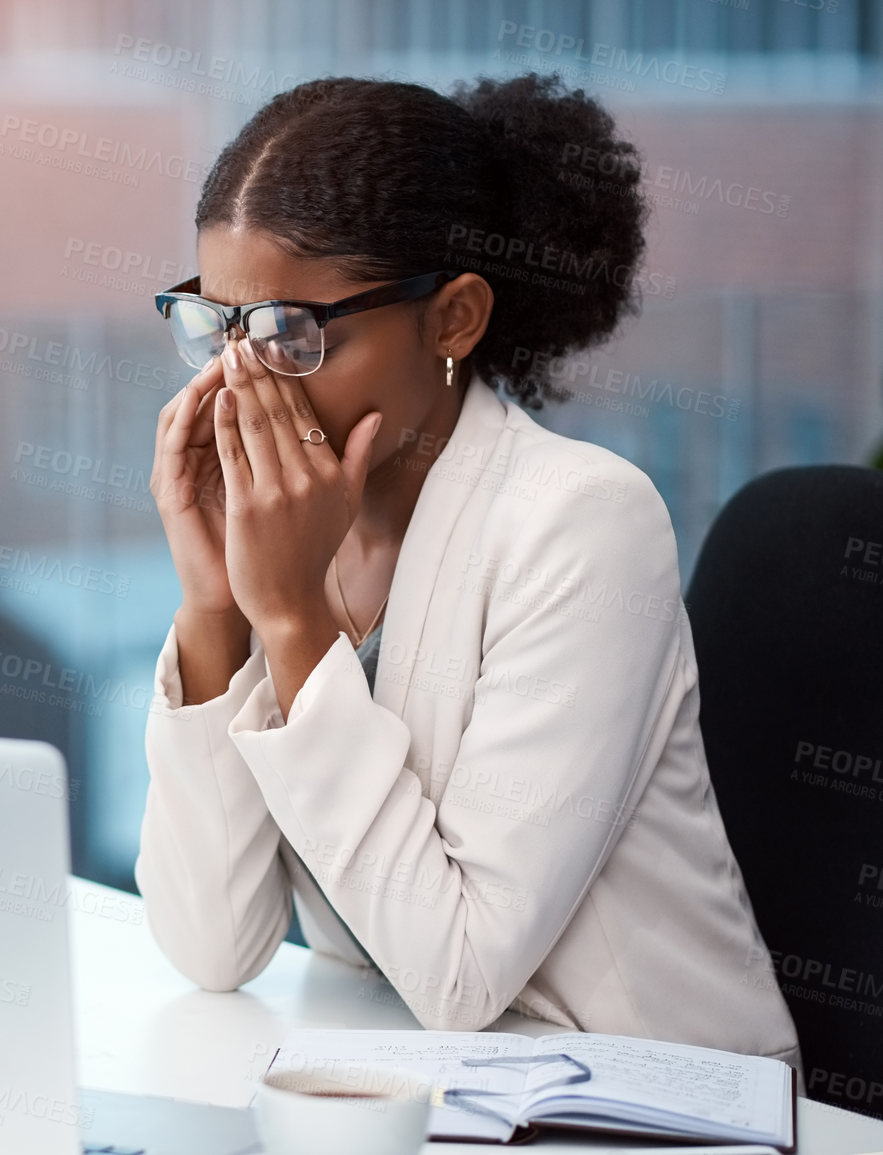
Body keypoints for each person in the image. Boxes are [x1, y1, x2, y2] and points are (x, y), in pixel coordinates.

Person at [136, 72, 800, 1064]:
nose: (238, 379)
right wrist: (212, 608)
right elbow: (213, 944)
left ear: (453, 319)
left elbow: (459, 975)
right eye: (220, 327)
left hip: (642, 1100)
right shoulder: (293, 544)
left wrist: (289, 620)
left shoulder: (582, 523)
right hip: (425, 1083)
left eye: (289, 332)